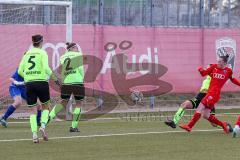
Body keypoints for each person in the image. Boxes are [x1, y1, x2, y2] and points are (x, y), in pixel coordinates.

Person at [179, 55, 240, 133]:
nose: (218, 62)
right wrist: (200, 70)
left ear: (224, 63)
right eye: (218, 61)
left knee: (200, 108)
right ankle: (223, 125)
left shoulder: (228, 71)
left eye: (220, 61)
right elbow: (204, 73)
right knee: (206, 115)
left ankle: (189, 126)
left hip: (214, 95)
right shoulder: (214, 67)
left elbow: (233, 79)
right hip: (210, 93)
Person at [18, 34, 57, 143]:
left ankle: (34, 135)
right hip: (41, 83)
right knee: (46, 107)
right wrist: (55, 78)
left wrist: (28, 77)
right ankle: (43, 126)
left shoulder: (26, 54)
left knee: (32, 110)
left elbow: (20, 71)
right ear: (41, 42)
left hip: (29, 84)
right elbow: (46, 68)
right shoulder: (42, 52)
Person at [48, 42, 84, 132]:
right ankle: (74, 127)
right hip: (77, 82)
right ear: (71, 48)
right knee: (79, 103)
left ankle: (48, 118)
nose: (77, 49)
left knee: (63, 102)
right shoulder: (78, 55)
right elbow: (81, 69)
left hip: (66, 82)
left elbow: (62, 70)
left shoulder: (62, 57)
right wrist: (82, 79)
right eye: (75, 47)